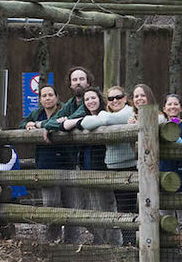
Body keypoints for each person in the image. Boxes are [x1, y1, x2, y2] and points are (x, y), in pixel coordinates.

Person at [59, 86, 121, 245]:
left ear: (100, 99)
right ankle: (100, 240)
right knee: (89, 207)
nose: (90, 101)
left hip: (103, 168)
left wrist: (74, 122)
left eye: (93, 98)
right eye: (87, 99)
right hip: (85, 168)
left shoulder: (105, 116)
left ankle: (113, 244)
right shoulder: (83, 117)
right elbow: (61, 126)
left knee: (107, 206)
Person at [41, 66, 95, 243]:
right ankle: (65, 245)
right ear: (70, 84)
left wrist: (63, 123)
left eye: (81, 79)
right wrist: (51, 125)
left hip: (95, 159)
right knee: (75, 205)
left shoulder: (92, 99)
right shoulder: (70, 103)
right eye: (74, 80)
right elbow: (53, 120)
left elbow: (77, 117)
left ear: (88, 81)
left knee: (93, 205)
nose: (78, 82)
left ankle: (108, 242)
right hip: (76, 161)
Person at [80, 85, 136, 244]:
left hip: (131, 165)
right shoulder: (110, 115)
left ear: (125, 98)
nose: (115, 100)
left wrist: (102, 117)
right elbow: (85, 123)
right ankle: (127, 243)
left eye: (118, 97)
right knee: (122, 208)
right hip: (113, 166)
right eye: (111, 98)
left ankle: (134, 244)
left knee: (131, 206)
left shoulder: (129, 112)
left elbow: (104, 119)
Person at [18, 84, 70, 242]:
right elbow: (22, 124)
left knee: (71, 204)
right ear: (40, 99)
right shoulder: (37, 113)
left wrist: (44, 126)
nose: (47, 98)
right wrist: (28, 125)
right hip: (45, 164)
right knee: (50, 204)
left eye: (50, 95)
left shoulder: (64, 111)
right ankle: (52, 240)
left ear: (57, 97)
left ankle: (71, 240)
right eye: (44, 96)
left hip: (67, 162)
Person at [159, 93, 182, 231]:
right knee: (165, 220)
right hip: (163, 178)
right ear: (164, 108)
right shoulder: (158, 127)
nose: (172, 107)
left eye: (176, 104)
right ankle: (168, 251)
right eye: (169, 104)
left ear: (181, 108)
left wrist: (173, 133)